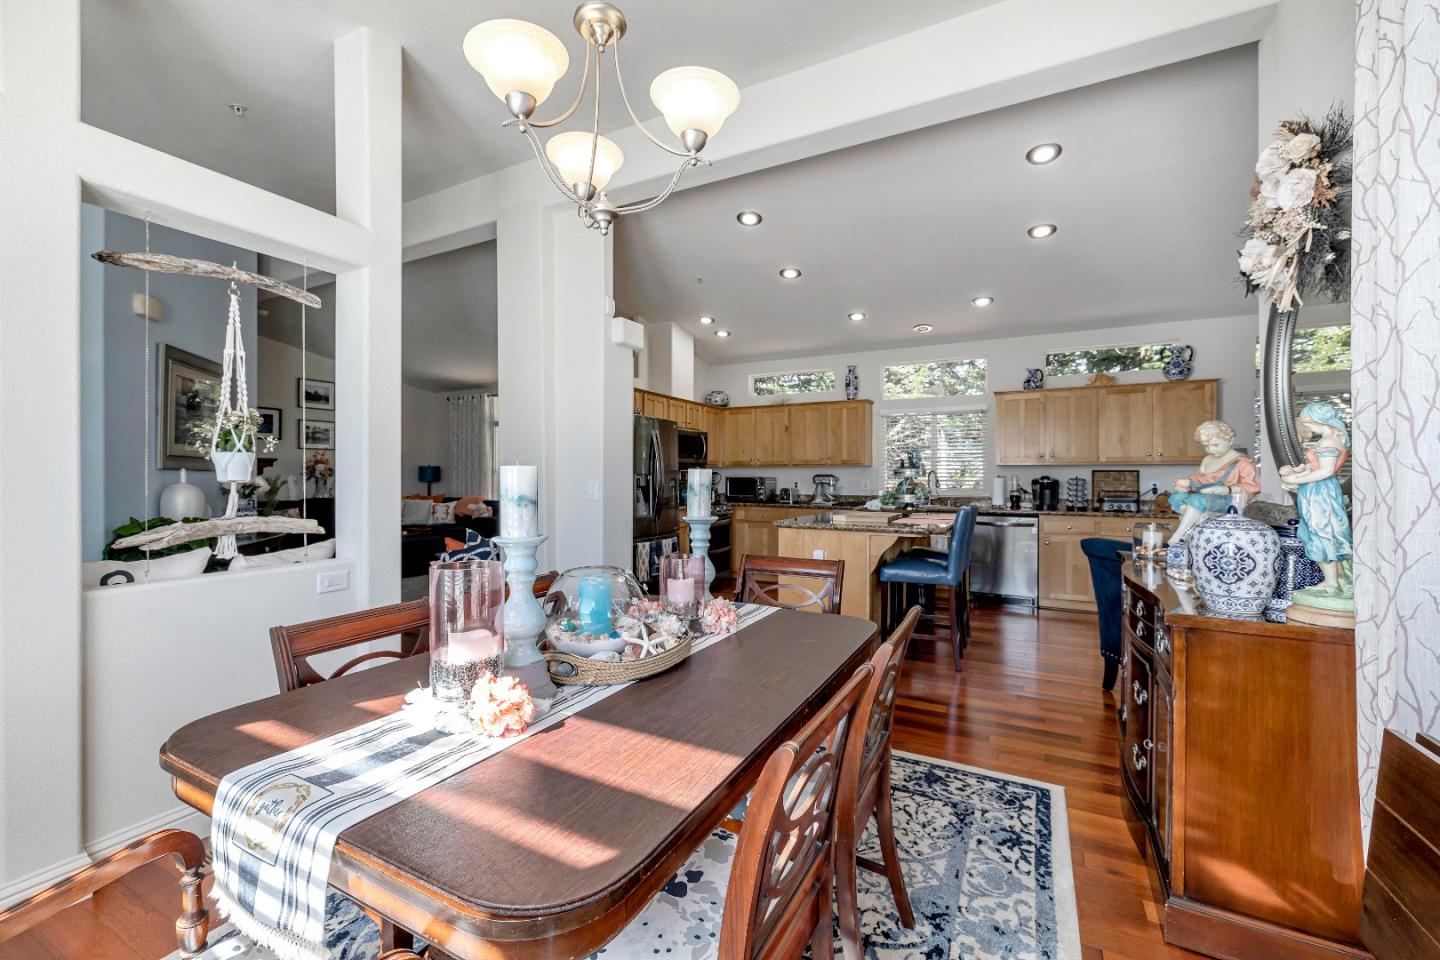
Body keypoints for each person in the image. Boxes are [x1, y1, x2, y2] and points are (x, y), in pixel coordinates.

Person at [1279, 401, 1352, 597]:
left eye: (1309, 423)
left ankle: (1331, 582)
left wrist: (1296, 479)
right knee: (1316, 532)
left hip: (1320, 493)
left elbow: (1326, 471)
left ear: (1320, 421)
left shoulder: (1328, 443)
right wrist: (1299, 473)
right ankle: (1336, 578)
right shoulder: (1331, 441)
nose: (1308, 427)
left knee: (1322, 533)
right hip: (1317, 491)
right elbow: (1318, 468)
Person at [1168, 420, 1261, 543]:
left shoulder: (1242, 462)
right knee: (1177, 497)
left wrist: (1225, 489)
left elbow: (1253, 487)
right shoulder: (1207, 460)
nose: (1211, 450)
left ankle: (1180, 535)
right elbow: (1199, 478)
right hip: (1206, 497)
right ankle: (1193, 520)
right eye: (1206, 446)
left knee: (1197, 500)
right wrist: (1187, 483)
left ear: (1230, 441)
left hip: (1229, 501)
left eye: (1215, 445)